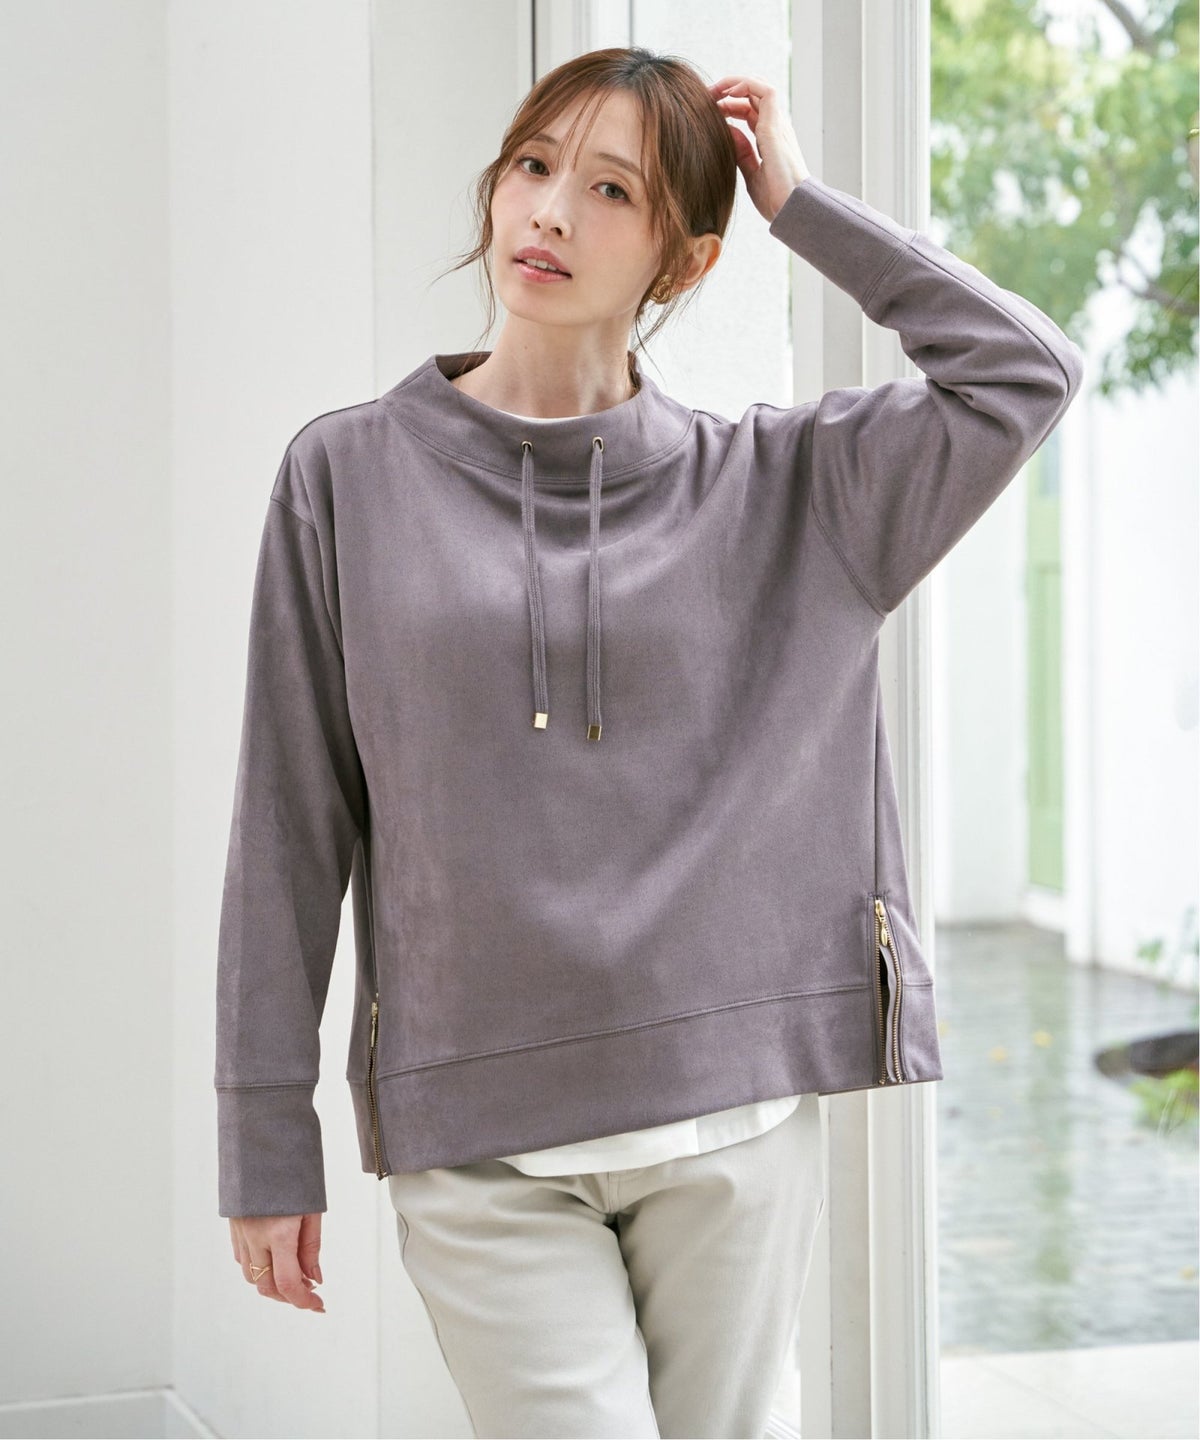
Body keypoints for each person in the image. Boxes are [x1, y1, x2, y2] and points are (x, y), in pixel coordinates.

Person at [215, 46, 1083, 1439]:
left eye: (611, 190)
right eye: (533, 165)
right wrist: (265, 1132)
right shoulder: (347, 476)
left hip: (732, 1127)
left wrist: (801, 209)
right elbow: (286, 820)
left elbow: (1023, 376)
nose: (550, 211)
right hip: (481, 1145)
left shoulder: (793, 489)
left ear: (685, 260)